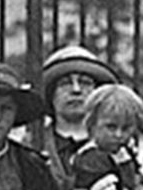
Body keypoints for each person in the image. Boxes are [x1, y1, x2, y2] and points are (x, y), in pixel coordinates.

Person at [36, 44, 118, 179]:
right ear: (51, 95)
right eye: (65, 83)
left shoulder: (115, 142)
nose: (76, 90)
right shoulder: (35, 143)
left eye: (85, 82)